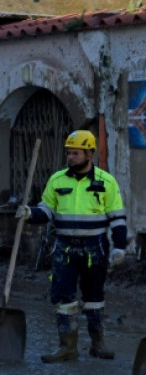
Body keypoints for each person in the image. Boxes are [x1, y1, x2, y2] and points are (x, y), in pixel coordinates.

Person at [16, 131, 126, 363]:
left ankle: (98, 344)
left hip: (95, 248)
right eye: (68, 153)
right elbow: (46, 211)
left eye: (75, 153)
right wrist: (29, 214)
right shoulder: (57, 180)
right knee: (63, 298)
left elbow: (117, 218)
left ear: (90, 154)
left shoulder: (107, 182)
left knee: (94, 297)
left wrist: (120, 247)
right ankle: (67, 347)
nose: (70, 157)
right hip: (64, 248)